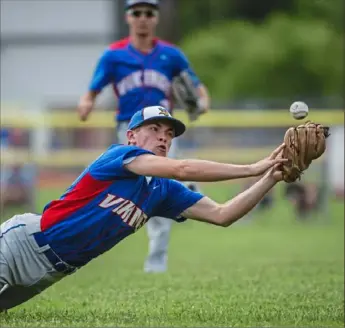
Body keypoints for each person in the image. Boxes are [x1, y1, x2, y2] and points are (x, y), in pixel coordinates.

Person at [0, 105, 287, 311]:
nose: (164, 137)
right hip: (22, 245)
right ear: (132, 137)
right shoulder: (119, 157)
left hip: (51, 273)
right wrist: (251, 167)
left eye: (170, 133)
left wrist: (270, 177)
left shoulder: (162, 191)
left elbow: (223, 215)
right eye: (154, 129)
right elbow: (183, 168)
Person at [77, 0, 210, 273]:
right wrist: (86, 102)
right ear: (128, 17)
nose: (143, 18)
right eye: (137, 12)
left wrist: (203, 101)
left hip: (162, 131)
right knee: (124, 191)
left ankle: (156, 262)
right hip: (129, 129)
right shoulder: (113, 55)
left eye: (149, 13)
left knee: (158, 189)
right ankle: (188, 189)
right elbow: (92, 90)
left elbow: (196, 87)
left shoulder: (171, 55)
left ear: (156, 18)